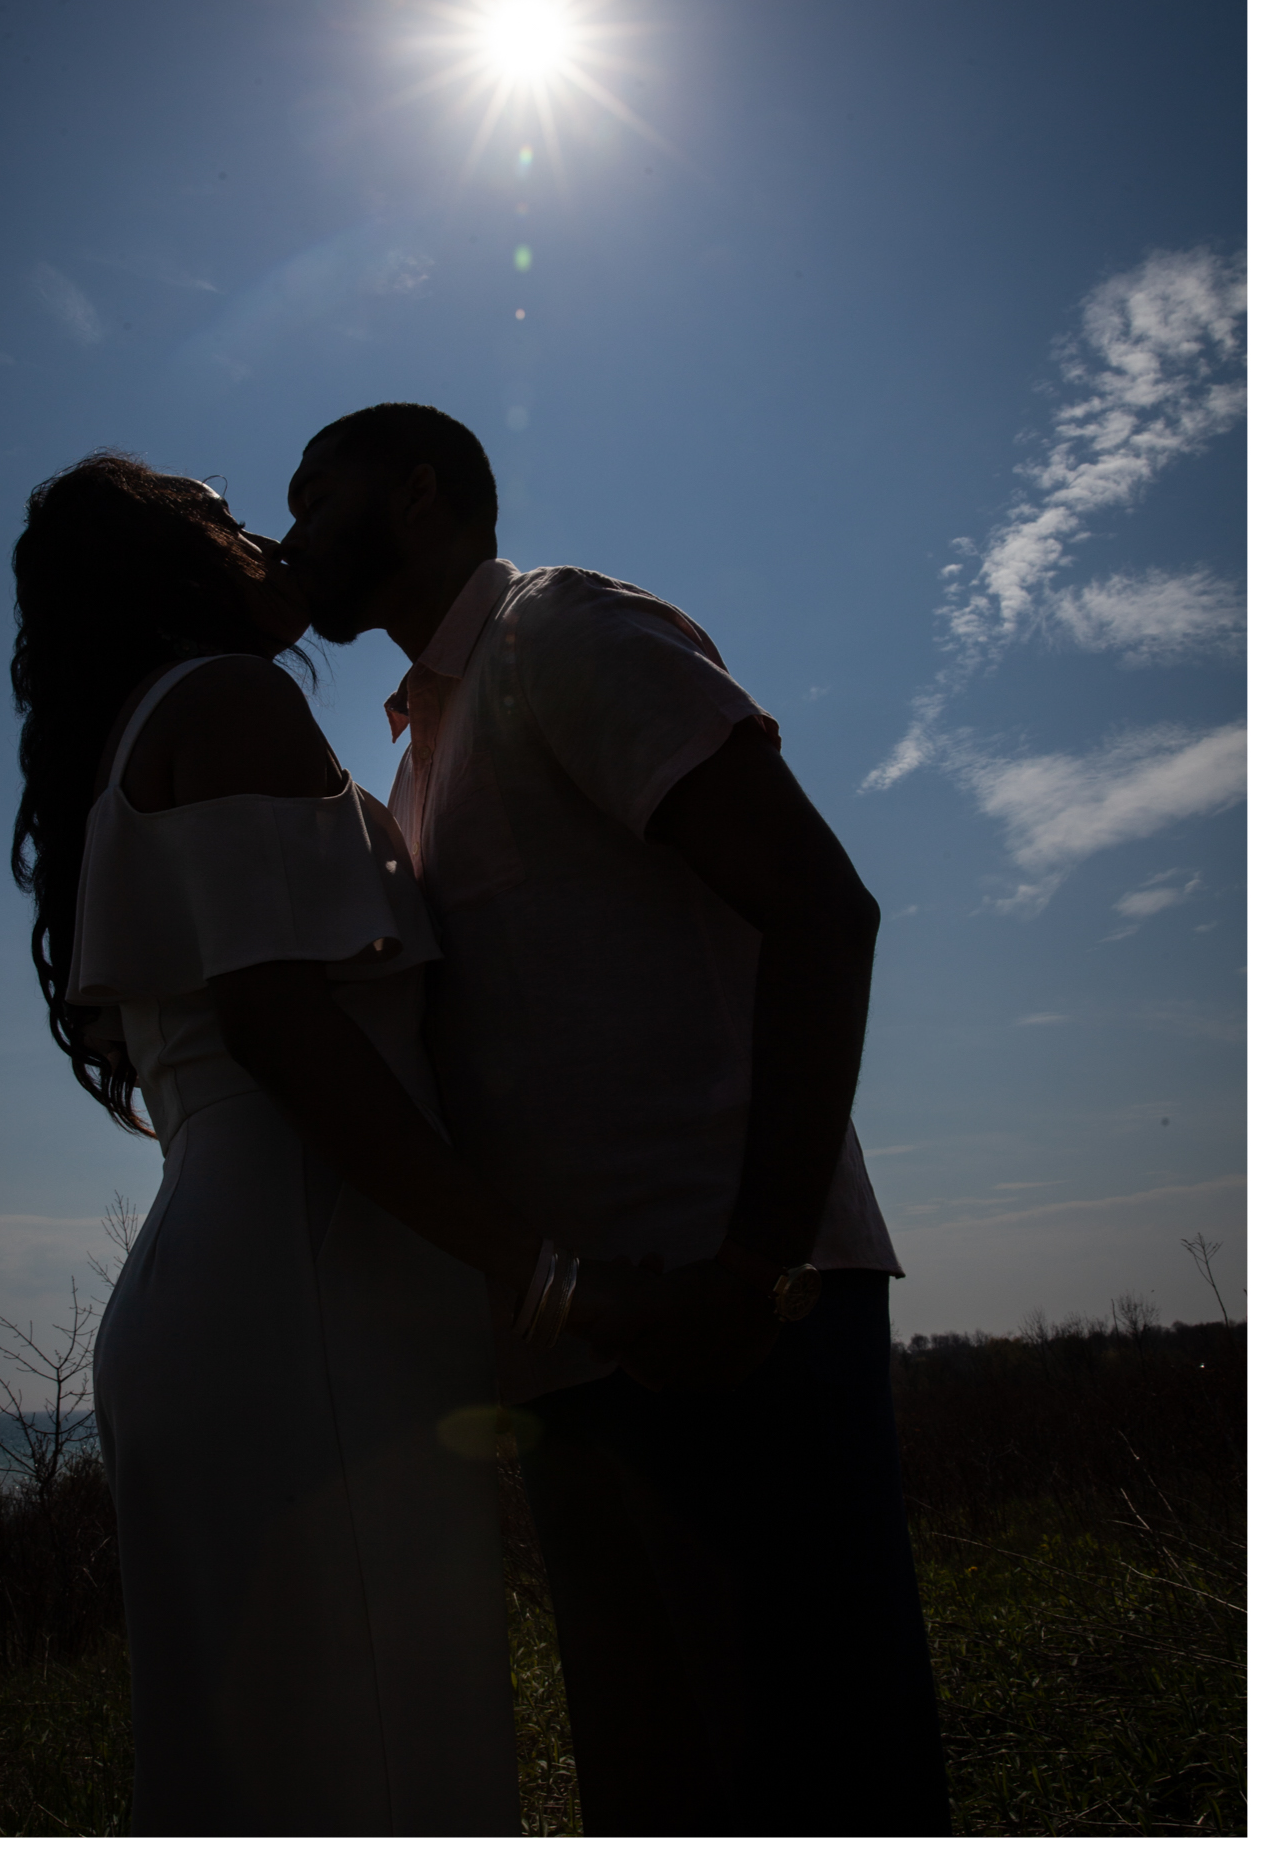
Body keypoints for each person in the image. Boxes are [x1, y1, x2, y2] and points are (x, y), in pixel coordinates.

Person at [275, 402, 947, 1833]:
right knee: (664, 1787)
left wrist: (753, 1273)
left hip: (736, 1321)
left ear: (414, 494)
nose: (286, 534)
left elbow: (821, 910)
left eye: (311, 494)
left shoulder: (558, 634)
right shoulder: (416, 756)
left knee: (823, 1774)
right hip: (589, 1348)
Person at [7, 451, 643, 1833]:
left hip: (243, 1279)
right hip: (305, 1291)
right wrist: (535, 1271)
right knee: (372, 1756)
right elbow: (288, 1037)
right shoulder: (225, 704)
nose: (264, 541)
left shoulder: (131, 743)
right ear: (174, 561)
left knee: (278, 1765)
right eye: (225, 520)